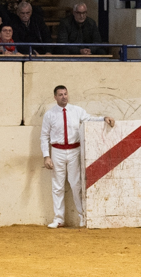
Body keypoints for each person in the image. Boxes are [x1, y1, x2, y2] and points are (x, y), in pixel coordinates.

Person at [40, 85, 115, 228]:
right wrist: (46, 156)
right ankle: (58, 219)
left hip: (74, 150)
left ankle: (82, 216)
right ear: (55, 97)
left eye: (65, 94)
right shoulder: (49, 115)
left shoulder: (77, 111)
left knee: (76, 184)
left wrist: (103, 118)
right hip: (57, 151)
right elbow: (44, 136)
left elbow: (89, 119)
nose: (64, 97)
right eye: (60, 94)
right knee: (57, 186)